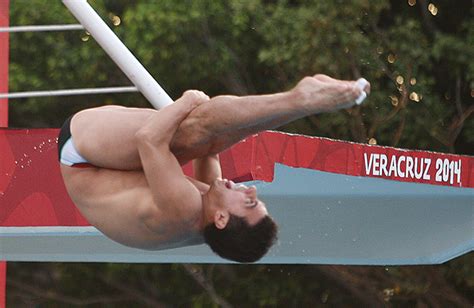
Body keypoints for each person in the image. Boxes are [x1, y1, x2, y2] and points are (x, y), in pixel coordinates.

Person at [58, 74, 370, 262]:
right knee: (208, 142)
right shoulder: (208, 219)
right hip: (114, 169)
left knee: (193, 129)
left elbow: (149, 139)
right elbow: (211, 151)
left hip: (82, 155)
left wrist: (186, 101)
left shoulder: (184, 210)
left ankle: (301, 98)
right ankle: (301, 100)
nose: (251, 189)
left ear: (221, 219)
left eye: (249, 201)